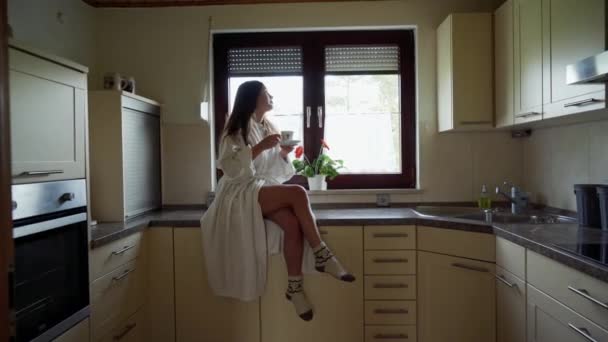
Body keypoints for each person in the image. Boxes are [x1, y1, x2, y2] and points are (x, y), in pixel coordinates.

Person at [200, 80, 355, 322]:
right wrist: (260, 147)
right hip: (239, 192)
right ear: (253, 98)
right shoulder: (234, 130)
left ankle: (294, 288)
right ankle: (322, 254)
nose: (271, 97)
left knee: (292, 225)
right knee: (298, 193)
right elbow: (229, 168)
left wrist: (282, 154)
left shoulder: (269, 126)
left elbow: (272, 172)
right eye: (266, 93)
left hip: (261, 188)